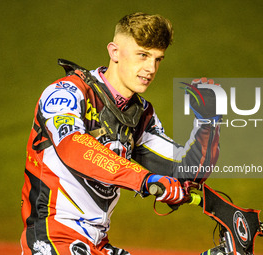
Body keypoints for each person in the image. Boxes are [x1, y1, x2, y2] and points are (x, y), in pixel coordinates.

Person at [20, 12, 220, 255]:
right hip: (53, 239)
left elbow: (187, 172)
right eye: (143, 55)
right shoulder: (67, 92)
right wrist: (144, 180)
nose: (150, 68)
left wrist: (208, 122)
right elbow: (73, 146)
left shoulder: (140, 114)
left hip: (97, 243)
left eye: (158, 59)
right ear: (114, 52)